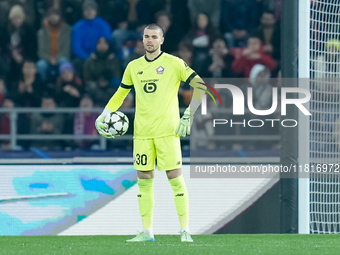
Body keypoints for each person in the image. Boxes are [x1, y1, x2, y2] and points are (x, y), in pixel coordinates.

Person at [95, 24, 206, 242]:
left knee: (174, 177)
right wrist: (104, 115)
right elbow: (120, 94)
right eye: (146, 36)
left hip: (167, 131)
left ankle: (185, 230)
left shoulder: (173, 63)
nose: (149, 40)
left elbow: (200, 85)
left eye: (154, 37)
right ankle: (147, 232)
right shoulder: (133, 67)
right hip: (142, 132)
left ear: (162, 40)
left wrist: (189, 115)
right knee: (144, 179)